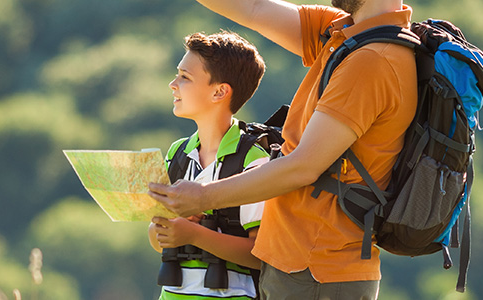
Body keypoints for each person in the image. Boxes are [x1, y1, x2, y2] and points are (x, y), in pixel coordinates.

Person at [148, 0, 419, 299]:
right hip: (296, 266)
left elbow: (304, 166)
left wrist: (201, 197)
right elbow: (254, 8)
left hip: (318, 271)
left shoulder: (373, 60)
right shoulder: (342, 33)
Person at [146, 30, 269, 300]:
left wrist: (194, 235)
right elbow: (157, 239)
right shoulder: (178, 153)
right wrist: (166, 231)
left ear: (219, 92)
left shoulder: (253, 160)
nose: (172, 84)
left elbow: (262, 254)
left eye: (185, 77)